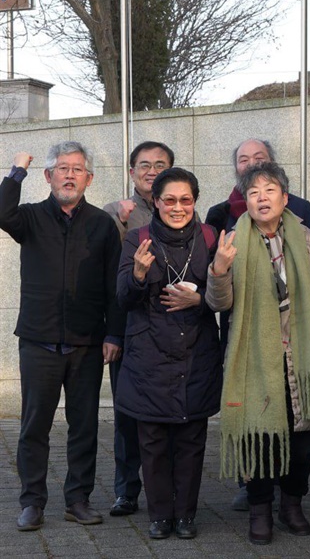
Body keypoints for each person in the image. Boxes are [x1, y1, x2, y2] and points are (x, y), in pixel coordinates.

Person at [206, 161, 310, 546]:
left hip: (299, 355)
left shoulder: (306, 237)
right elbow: (218, 302)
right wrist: (220, 269)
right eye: (254, 193)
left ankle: (291, 505)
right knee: (258, 436)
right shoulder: (231, 239)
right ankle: (259, 510)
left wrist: (299, 320)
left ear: (284, 197)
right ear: (245, 201)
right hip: (254, 358)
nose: (262, 198)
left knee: (302, 444)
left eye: (269, 190)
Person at [0, 143, 123, 532]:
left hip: (87, 343)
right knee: (34, 426)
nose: (70, 175)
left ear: (89, 178)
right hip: (38, 342)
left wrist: (113, 333)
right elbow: (1, 212)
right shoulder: (31, 217)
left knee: (84, 426)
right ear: (48, 177)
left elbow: (112, 286)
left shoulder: (103, 224)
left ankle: (78, 500)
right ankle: (32, 502)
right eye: (62, 168)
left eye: (77, 169)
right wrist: (16, 171)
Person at [115, 166, 222, 540]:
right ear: (156, 202)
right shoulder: (138, 239)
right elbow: (123, 298)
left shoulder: (210, 237)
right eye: (169, 200)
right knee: (154, 442)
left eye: (186, 200)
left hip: (197, 352)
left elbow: (228, 298)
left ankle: (186, 515)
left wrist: (201, 299)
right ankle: (160, 515)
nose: (178, 208)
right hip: (149, 355)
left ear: (194, 201)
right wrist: (139, 275)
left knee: (192, 440)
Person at [103, 140, 175, 517]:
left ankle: (170, 490)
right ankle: (126, 490)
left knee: (171, 417)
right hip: (130, 330)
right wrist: (112, 334)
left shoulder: (182, 210)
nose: (151, 170)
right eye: (144, 165)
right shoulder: (115, 214)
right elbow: (108, 281)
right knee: (128, 414)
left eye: (159, 164)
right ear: (131, 172)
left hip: (176, 330)